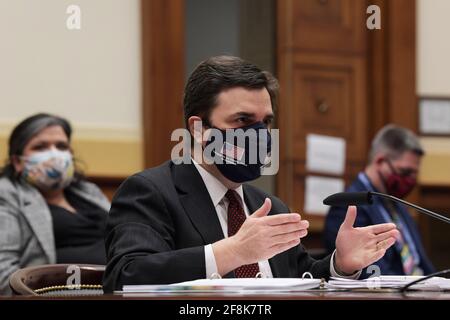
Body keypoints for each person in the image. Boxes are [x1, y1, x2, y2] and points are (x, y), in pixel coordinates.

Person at [103, 56, 399, 292]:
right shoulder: (150, 192)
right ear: (198, 129)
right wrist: (232, 252)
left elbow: (301, 277)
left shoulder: (267, 206)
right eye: (242, 120)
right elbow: (125, 277)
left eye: (265, 122)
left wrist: (340, 264)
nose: (258, 134)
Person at [0, 113, 111, 295]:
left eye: (61, 146)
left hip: (121, 285)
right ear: (17, 162)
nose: (54, 154)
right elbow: (3, 274)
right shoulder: (6, 194)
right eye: (40, 147)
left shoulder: (87, 190)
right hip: (64, 293)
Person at [324, 125, 435, 277]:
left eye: (414, 174)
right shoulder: (348, 206)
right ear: (380, 161)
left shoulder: (395, 203)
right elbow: (369, 273)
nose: (411, 180)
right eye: (405, 172)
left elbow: (420, 261)